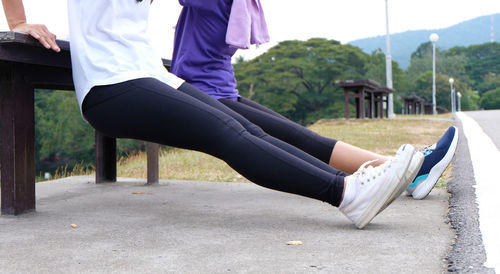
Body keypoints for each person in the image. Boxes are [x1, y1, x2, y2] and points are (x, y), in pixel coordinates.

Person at [3, 0, 421, 229]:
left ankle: (357, 182)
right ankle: (348, 194)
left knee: (242, 125)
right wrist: (20, 20)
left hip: (151, 74)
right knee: (227, 132)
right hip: (109, 84)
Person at [170, 0, 459, 200]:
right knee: (299, 137)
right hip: (212, 93)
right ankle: (406, 171)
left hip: (212, 94)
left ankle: (406, 172)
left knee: (299, 138)